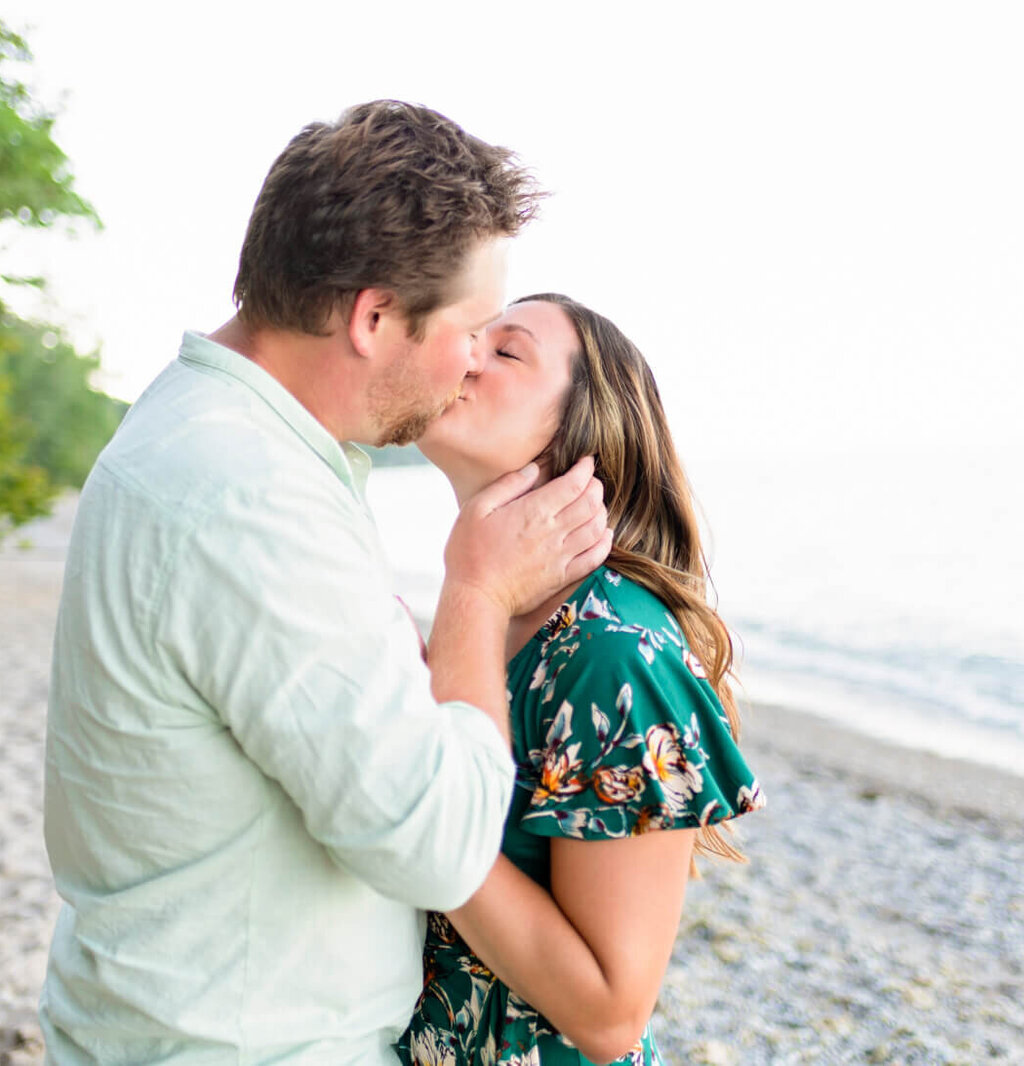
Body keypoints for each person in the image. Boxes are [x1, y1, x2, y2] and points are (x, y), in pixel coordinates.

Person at [39, 104, 612, 1065]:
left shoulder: (216, 432)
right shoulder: (248, 496)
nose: (475, 359)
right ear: (374, 316)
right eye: (473, 329)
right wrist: (476, 593)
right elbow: (438, 843)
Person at [401, 294, 766, 1065]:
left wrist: (409, 811)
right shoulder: (488, 606)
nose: (466, 354)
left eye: (506, 352)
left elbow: (609, 1015)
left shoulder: (612, 651)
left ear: (578, 434)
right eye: (475, 336)